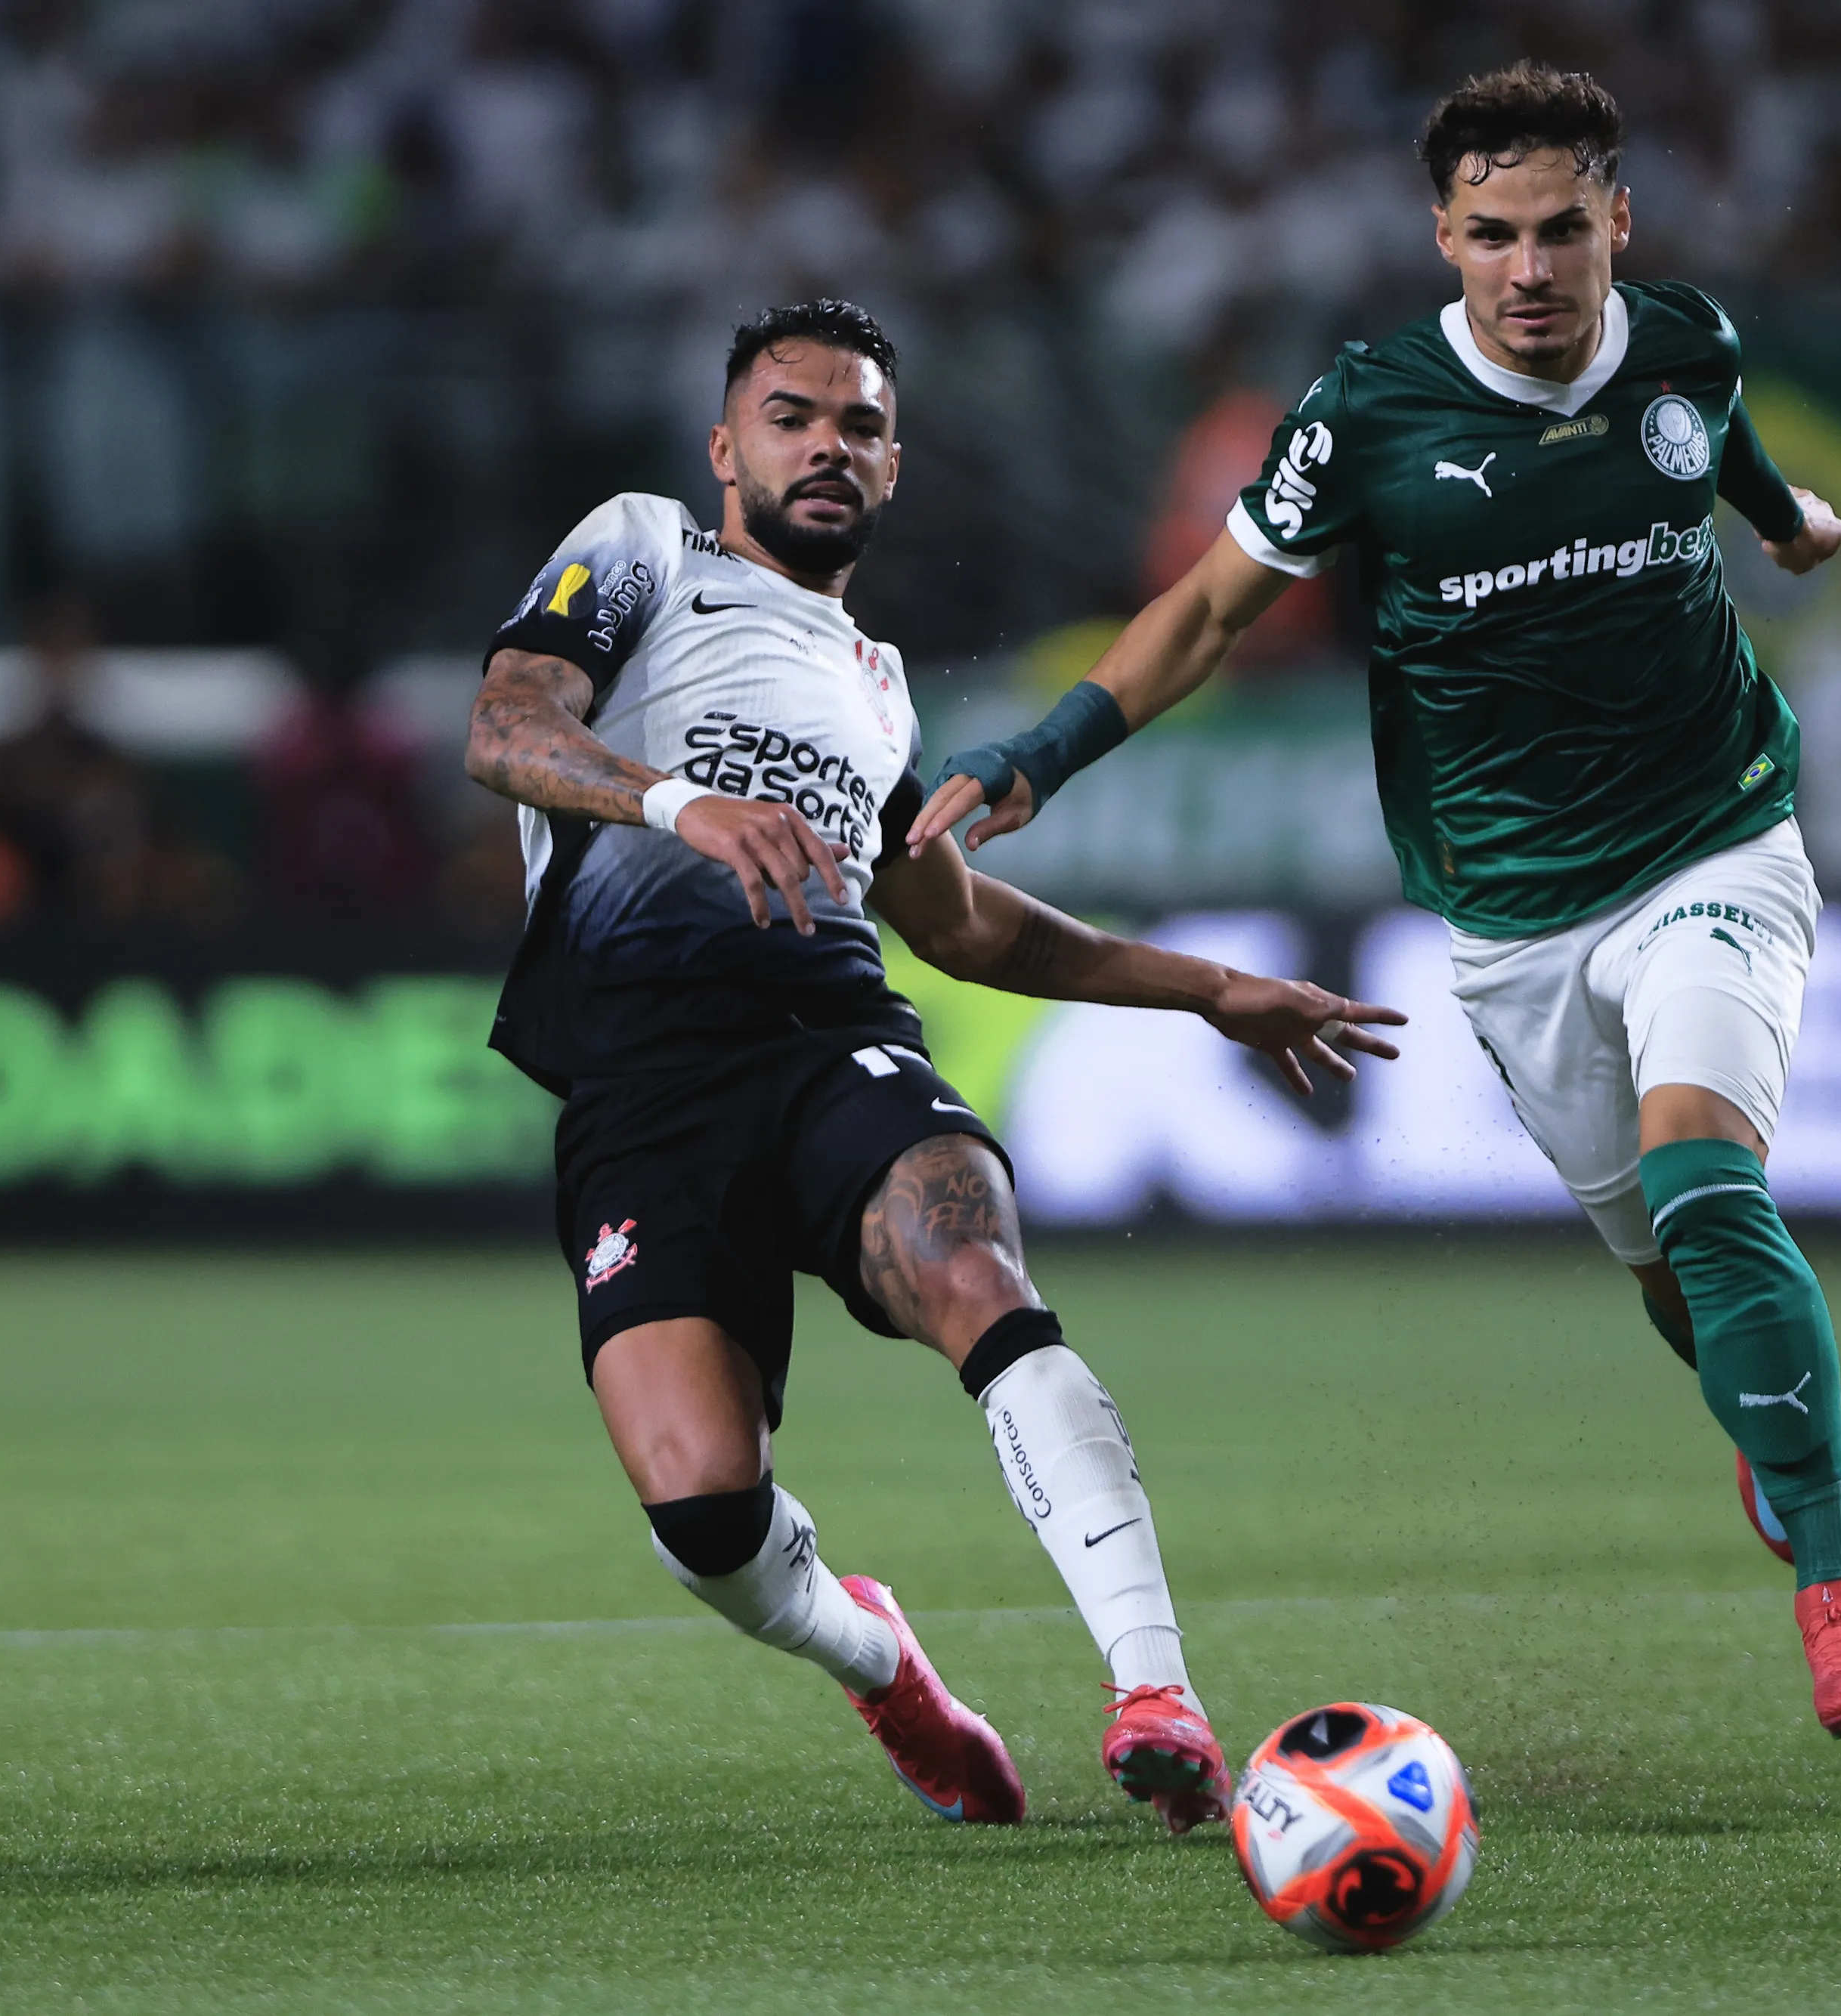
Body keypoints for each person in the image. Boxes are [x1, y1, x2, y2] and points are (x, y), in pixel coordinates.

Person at [912, 66, 1841, 1739]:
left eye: (1562, 231)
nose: (1530, 269)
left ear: (1618, 224)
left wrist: (1788, 523)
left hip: (1718, 840)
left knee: (1704, 1179)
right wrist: (1051, 750)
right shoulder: (1368, 409)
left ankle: (1837, 1583)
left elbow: (1722, 459)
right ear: (1441, 235)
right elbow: (1215, 608)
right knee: (1671, 1273)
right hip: (1516, 910)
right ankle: (1767, 1434)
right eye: (1494, 235)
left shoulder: (1682, 342)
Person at [466, 298, 1404, 1832]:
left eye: (860, 425)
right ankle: (879, 1657)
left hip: (831, 1040)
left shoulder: (879, 682)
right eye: (792, 415)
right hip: (641, 1084)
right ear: (725, 447)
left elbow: (958, 926)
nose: (826, 442)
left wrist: (1209, 986)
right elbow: (505, 727)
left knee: (974, 1269)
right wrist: (676, 807)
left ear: (894, 467)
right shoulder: (643, 548)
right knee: (705, 1507)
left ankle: (1156, 1688)